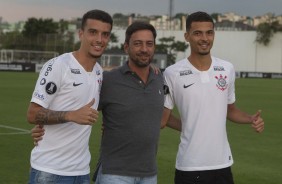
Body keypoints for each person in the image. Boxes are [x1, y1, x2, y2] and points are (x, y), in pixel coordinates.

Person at [161, 11, 265, 184]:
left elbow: (230, 109)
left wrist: (250, 118)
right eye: (198, 33)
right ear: (187, 36)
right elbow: (163, 118)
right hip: (189, 166)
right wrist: (190, 126)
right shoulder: (172, 73)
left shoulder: (226, 68)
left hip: (222, 164)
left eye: (209, 33)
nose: (204, 38)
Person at [27, 9, 113, 184]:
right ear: (81, 34)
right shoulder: (59, 65)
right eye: (93, 32)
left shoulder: (98, 72)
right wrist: (71, 115)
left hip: (81, 172)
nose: (99, 39)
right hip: (50, 171)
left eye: (105, 34)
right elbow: (32, 113)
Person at [94, 21, 164, 184]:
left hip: (149, 174)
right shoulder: (109, 80)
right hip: (115, 174)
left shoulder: (159, 78)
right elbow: (80, 109)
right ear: (126, 47)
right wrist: (43, 126)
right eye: (138, 44)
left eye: (149, 44)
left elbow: (162, 118)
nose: (144, 49)